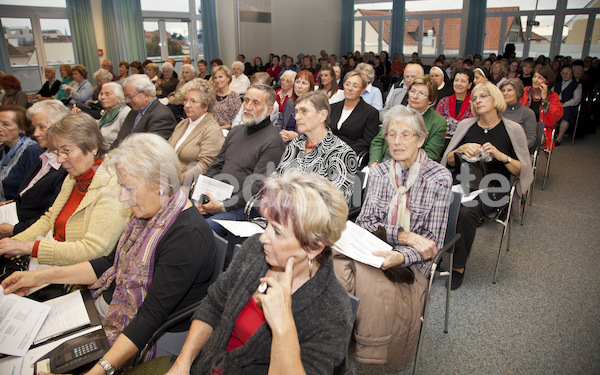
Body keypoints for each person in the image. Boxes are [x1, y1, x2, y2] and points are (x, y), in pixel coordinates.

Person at [2, 133, 216, 373]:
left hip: (154, 334)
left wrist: (101, 368)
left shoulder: (187, 236)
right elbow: (108, 263)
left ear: (162, 183)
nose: (123, 198)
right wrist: (38, 278)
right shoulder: (149, 214)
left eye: (128, 188)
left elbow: (151, 314)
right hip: (119, 310)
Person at [164, 170, 353, 374]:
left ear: (314, 247)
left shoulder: (332, 312)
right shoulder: (255, 250)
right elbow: (214, 305)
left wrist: (283, 327)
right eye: (267, 224)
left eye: (278, 232)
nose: (263, 237)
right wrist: (183, 363)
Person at [334, 105, 452, 367]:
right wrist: (403, 235)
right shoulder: (377, 173)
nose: (397, 141)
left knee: (365, 290)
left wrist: (400, 253)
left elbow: (432, 242)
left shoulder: (439, 177)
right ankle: (338, 346)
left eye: (406, 135)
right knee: (333, 271)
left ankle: (359, 352)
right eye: (391, 134)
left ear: (421, 139)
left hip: (412, 263)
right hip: (373, 250)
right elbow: (365, 222)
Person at [0, 113, 131, 265]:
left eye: (66, 150)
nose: (59, 159)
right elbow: (50, 219)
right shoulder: (73, 177)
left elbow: (95, 250)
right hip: (55, 263)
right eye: (57, 151)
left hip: (75, 274)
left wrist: (29, 247)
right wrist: (13, 244)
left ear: (92, 147)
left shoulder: (113, 185)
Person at [441, 82, 533, 290]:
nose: (478, 101)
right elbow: (448, 160)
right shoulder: (466, 125)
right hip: (464, 181)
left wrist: (501, 156)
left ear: (495, 100)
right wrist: (461, 149)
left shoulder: (512, 129)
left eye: (483, 96)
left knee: (465, 212)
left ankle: (458, 267)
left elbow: (522, 170)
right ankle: (433, 254)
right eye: (474, 98)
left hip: (494, 188)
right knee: (434, 199)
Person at [196, 84, 285, 237]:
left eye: (255, 103)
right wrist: (200, 196)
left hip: (243, 207)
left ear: (269, 110)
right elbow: (216, 165)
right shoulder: (236, 131)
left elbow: (257, 186)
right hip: (219, 195)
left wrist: (223, 206)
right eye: (246, 101)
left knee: (205, 227)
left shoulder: (273, 142)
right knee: (182, 214)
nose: (248, 107)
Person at [0, 101, 69, 238]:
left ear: (61, 126)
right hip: (15, 221)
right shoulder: (44, 157)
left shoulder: (66, 166)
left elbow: (52, 218)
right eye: (35, 127)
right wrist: (8, 204)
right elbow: (25, 195)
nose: (36, 133)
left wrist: (14, 230)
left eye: (42, 127)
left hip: (27, 233)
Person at [274, 91, 356, 204]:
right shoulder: (295, 145)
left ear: (322, 115)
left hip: (316, 219)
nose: (297, 117)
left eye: (304, 111)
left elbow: (336, 204)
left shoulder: (342, 153)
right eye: (296, 111)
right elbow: (276, 179)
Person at [370, 74, 448, 164]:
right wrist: (374, 163)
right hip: (384, 162)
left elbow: (431, 155)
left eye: (421, 94)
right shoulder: (396, 113)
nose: (415, 96)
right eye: (413, 91)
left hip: (413, 168)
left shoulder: (438, 122)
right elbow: (378, 141)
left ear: (430, 100)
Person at [168, 78, 225, 189]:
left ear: (205, 106)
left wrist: (177, 180)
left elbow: (205, 166)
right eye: (185, 100)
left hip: (187, 184)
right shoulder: (182, 123)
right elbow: (167, 149)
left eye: (193, 101)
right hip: (168, 176)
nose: (187, 105)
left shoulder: (212, 129)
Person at [111, 74, 177, 149]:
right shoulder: (133, 112)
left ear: (146, 95)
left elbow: (150, 150)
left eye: (130, 96)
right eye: (125, 97)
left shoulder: (162, 115)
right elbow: (119, 140)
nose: (127, 101)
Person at [329, 71, 380, 156]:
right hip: (326, 152)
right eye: (347, 84)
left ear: (362, 90)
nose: (350, 88)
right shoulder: (332, 108)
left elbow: (367, 141)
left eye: (355, 86)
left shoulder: (370, 113)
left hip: (349, 155)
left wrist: (343, 153)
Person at [0, 106, 44, 201]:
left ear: (22, 129)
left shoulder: (32, 151)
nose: (0, 128)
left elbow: (34, 192)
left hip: (17, 210)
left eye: (6, 124)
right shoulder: (4, 150)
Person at [519, 65, 563, 150]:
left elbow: (554, 119)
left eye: (540, 77)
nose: (535, 80)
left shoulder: (553, 96)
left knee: (527, 141)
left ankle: (526, 160)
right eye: (534, 76)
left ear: (547, 81)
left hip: (540, 129)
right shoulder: (525, 91)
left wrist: (544, 98)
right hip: (522, 126)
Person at [276, 70, 315, 143]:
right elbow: (279, 122)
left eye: (304, 83)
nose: (299, 86)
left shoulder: (314, 107)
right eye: (297, 82)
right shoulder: (289, 102)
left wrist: (297, 136)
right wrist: (281, 133)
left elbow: (315, 133)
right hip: (284, 141)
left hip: (302, 145)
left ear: (310, 87)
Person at [500, 79, 537, 150]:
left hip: (518, 152)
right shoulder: (497, 111)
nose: (505, 93)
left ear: (518, 92)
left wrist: (514, 146)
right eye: (503, 90)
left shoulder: (527, 113)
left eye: (509, 90)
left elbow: (531, 140)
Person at [436, 67, 475, 136]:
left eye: (463, 81)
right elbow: (436, 124)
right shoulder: (444, 102)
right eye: (456, 80)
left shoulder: (474, 104)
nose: (458, 84)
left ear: (469, 85)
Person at [97, 82, 132, 147]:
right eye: (101, 94)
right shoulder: (108, 111)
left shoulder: (125, 113)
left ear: (119, 98)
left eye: (107, 94)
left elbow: (124, 140)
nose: (102, 97)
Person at [554, 66, 582, 145]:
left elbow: (576, 99)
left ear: (572, 74)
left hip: (568, 106)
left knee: (566, 113)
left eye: (567, 73)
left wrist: (564, 104)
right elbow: (551, 95)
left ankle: (559, 138)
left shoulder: (576, 85)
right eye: (563, 73)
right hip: (556, 104)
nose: (565, 75)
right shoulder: (557, 84)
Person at [211, 65, 242, 130]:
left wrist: (218, 128)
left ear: (228, 78)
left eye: (220, 77)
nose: (217, 80)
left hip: (227, 132)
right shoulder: (212, 95)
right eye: (215, 78)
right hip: (211, 130)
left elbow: (236, 122)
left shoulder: (234, 97)